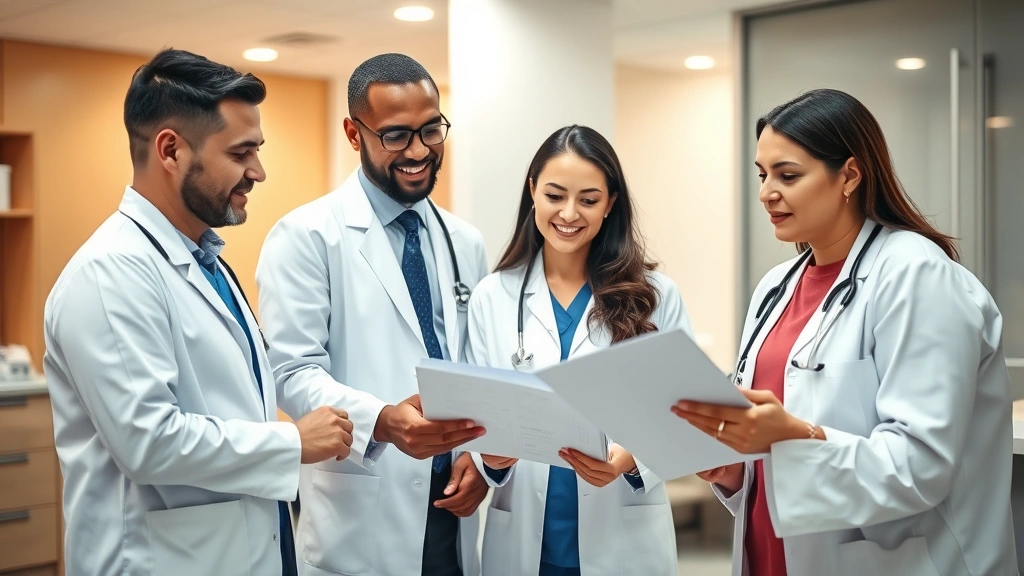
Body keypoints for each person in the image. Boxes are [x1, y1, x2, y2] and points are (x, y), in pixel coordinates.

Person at [673, 88, 1018, 576]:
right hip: (772, 552)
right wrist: (733, 471)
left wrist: (796, 435)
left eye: (788, 175)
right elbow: (775, 447)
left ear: (850, 175)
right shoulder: (776, 287)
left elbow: (920, 466)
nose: (767, 192)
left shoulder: (916, 274)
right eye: (762, 174)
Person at [43, 49, 354, 576]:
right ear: (171, 150)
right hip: (157, 559)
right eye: (241, 152)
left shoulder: (203, 260)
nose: (259, 170)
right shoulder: (110, 273)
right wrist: (292, 442)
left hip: (233, 546)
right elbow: (147, 441)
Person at [255, 53, 490, 576]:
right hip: (361, 514)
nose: (419, 151)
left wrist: (484, 459)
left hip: (453, 511)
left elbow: (477, 370)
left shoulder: (464, 242)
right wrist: (380, 421)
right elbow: (290, 374)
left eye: (432, 130)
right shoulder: (306, 237)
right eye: (396, 136)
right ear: (353, 132)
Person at [465, 125, 689, 576]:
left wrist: (630, 458)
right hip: (525, 543)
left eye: (588, 199)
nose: (569, 213)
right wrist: (488, 455)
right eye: (554, 195)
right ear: (532, 192)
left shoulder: (655, 296)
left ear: (610, 204)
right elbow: (477, 412)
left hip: (623, 539)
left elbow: (683, 411)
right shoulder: (492, 296)